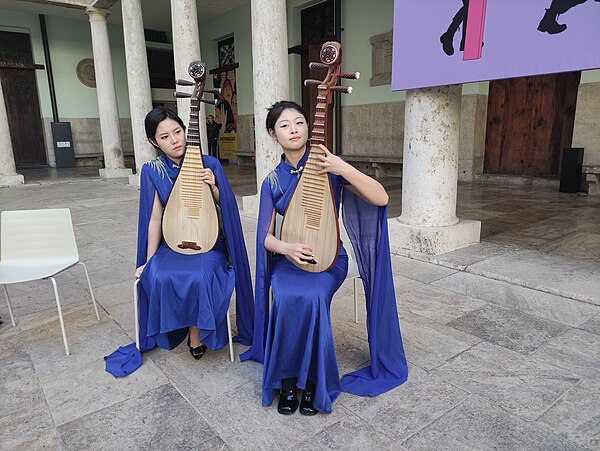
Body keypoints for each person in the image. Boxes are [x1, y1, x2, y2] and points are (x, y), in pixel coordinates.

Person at [240, 101, 408, 415]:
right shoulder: (272, 182)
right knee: (289, 296)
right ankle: (288, 381)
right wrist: (287, 249)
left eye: (299, 122)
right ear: (272, 133)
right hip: (288, 263)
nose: (293, 130)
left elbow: (381, 197)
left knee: (314, 296)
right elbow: (265, 238)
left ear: (308, 127)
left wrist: (343, 168)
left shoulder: (328, 167)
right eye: (284, 125)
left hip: (330, 260)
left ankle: (314, 380)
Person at [105, 106, 253, 377]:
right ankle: (177, 326)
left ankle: (196, 332)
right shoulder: (152, 170)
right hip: (172, 242)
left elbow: (227, 208)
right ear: (153, 141)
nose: (175, 140)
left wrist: (214, 187)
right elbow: (154, 219)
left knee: (202, 274)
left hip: (209, 241)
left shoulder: (210, 163)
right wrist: (148, 261)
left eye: (178, 131)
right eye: (165, 137)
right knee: (160, 274)